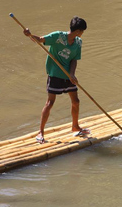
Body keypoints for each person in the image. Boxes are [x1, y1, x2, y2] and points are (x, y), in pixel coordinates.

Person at [22, 16, 88, 144]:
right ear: (78, 31)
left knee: (76, 101)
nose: (82, 34)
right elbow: (40, 40)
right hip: (55, 75)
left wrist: (72, 74)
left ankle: (75, 126)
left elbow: (74, 59)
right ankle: (40, 132)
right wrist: (30, 35)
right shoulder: (58, 37)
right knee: (50, 103)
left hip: (68, 76)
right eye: (82, 31)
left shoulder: (78, 42)